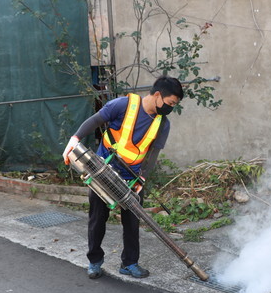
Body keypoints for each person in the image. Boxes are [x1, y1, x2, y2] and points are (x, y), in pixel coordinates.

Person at [62, 76, 184, 279]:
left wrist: (142, 179)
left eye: (174, 105)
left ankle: (129, 263)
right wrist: (74, 140)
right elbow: (95, 121)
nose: (170, 108)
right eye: (170, 103)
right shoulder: (122, 105)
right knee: (97, 218)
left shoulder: (163, 124)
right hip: (103, 170)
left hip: (133, 176)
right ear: (157, 95)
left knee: (132, 221)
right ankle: (95, 261)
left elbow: (153, 154)